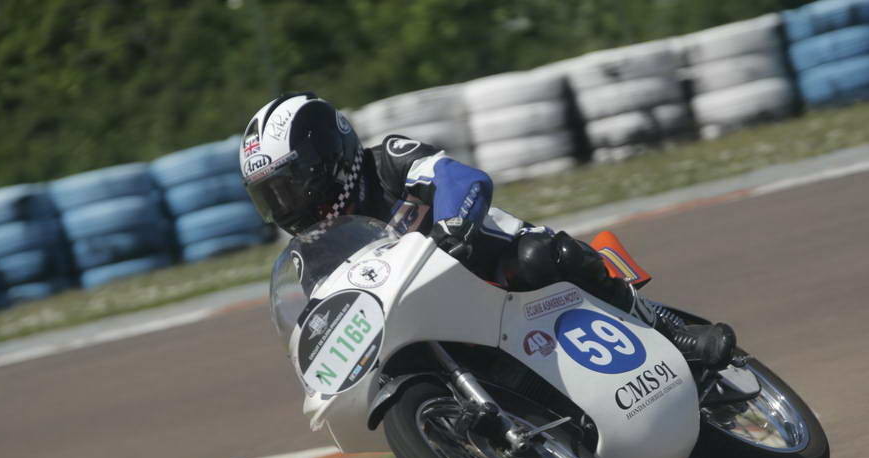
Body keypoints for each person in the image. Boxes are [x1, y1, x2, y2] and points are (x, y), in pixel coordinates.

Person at [240, 92, 736, 369]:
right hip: (436, 318)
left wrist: (454, 227)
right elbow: (327, 316)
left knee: (541, 255)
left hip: (495, 265)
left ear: (328, 157)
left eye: (289, 187)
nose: (286, 207)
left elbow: (458, 177)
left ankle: (670, 333)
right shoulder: (313, 254)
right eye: (271, 197)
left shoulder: (386, 162)